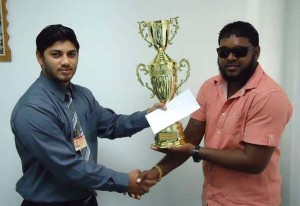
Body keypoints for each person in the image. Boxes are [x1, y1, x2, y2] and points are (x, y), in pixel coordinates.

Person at [136, 21, 293, 205]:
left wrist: (194, 151)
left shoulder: (269, 96)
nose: (231, 57)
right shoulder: (209, 87)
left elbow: (253, 162)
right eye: (224, 52)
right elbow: (189, 140)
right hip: (212, 200)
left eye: (239, 51)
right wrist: (156, 172)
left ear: (256, 52)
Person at [10, 24, 165, 206]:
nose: (66, 61)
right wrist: (125, 182)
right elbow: (68, 167)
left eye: (71, 54)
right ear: (40, 57)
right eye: (56, 54)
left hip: (87, 200)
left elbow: (112, 125)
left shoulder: (83, 95)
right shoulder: (33, 109)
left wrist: (150, 116)